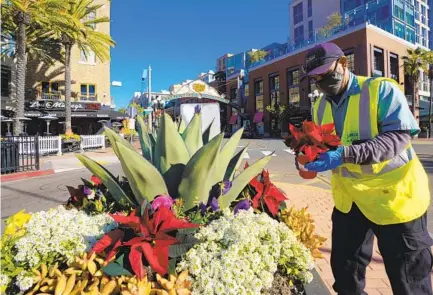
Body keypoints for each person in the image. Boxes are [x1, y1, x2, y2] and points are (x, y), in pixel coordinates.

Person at [300, 43, 432, 295]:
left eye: (326, 73)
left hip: (395, 202)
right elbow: (318, 144)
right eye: (315, 77)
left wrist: (345, 154)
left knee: (409, 282)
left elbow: (397, 138)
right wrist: (308, 160)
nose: (321, 81)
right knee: (346, 274)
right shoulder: (320, 107)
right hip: (351, 203)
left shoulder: (380, 89)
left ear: (344, 64)